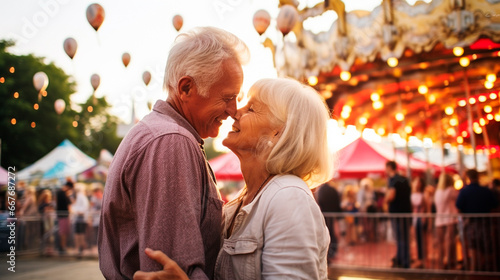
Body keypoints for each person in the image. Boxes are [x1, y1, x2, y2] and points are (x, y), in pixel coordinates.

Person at [133, 77, 333, 280]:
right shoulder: (245, 199)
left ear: (278, 133)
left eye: (252, 109)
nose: (235, 112)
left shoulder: (288, 197)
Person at [99, 26, 249, 279]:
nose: (233, 110)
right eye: (227, 98)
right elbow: (176, 270)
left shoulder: (163, 135)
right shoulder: (171, 141)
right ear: (186, 88)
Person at [456, 169, 498, 271]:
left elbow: (458, 207)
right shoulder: (486, 191)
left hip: (472, 223)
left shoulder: (465, 191)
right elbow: (495, 206)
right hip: (485, 223)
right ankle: (484, 270)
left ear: (468, 177)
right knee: (486, 249)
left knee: (474, 248)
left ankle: (475, 270)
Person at [384, 161, 411, 269]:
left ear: (390, 167)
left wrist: (385, 201)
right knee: (405, 238)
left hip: (397, 213)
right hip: (406, 212)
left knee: (400, 238)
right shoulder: (404, 179)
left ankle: (402, 261)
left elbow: (391, 195)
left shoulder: (393, 180)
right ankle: (404, 260)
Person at [434, 172, 459, 270]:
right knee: (450, 240)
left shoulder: (437, 191)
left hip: (440, 218)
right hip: (450, 217)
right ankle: (449, 260)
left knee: (441, 242)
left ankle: (441, 261)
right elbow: (458, 201)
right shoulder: (451, 190)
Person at [315, 179, 342, 262]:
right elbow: (338, 203)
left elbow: (319, 203)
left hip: (324, 215)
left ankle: (328, 252)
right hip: (333, 215)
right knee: (333, 233)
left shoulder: (320, 191)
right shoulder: (333, 189)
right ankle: (332, 251)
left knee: (326, 233)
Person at [410, 175, 427, 268]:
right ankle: (419, 258)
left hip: (421, 218)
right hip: (415, 219)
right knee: (416, 239)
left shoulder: (424, 194)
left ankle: (422, 258)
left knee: (422, 239)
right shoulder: (412, 194)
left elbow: (427, 208)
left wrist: (426, 219)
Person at [56, 180, 74, 254]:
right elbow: (69, 203)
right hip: (63, 215)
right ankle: (62, 247)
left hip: (62, 215)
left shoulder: (59, 192)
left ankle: (63, 246)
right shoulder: (63, 193)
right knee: (63, 231)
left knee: (63, 231)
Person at [72, 183, 90, 257]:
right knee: (79, 233)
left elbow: (84, 206)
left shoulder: (80, 196)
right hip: (78, 217)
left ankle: (80, 248)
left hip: (80, 217)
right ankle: (79, 248)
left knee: (80, 233)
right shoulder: (79, 196)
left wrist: (79, 212)